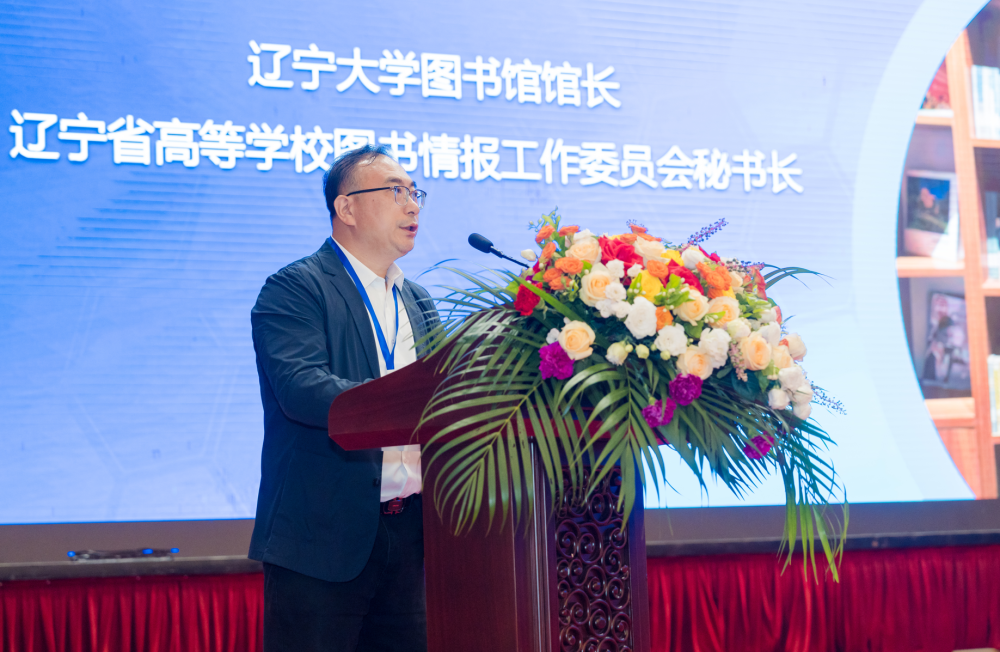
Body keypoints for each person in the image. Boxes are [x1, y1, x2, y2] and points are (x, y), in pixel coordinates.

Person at [248, 144, 436, 652]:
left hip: (412, 538)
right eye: (396, 191)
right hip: (322, 540)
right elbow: (301, 388)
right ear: (346, 208)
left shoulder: (417, 300)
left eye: (415, 192)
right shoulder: (295, 288)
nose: (412, 205)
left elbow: (441, 393)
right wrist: (409, 406)